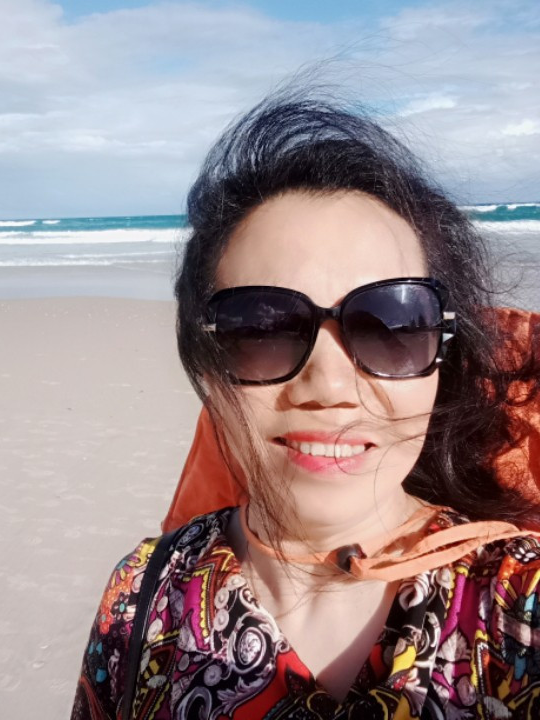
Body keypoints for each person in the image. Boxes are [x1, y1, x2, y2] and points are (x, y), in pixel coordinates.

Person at [71, 86, 540, 719]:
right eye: (261, 328)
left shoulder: (521, 606)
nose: (330, 385)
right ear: (206, 364)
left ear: (441, 358)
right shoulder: (141, 595)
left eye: (392, 325)